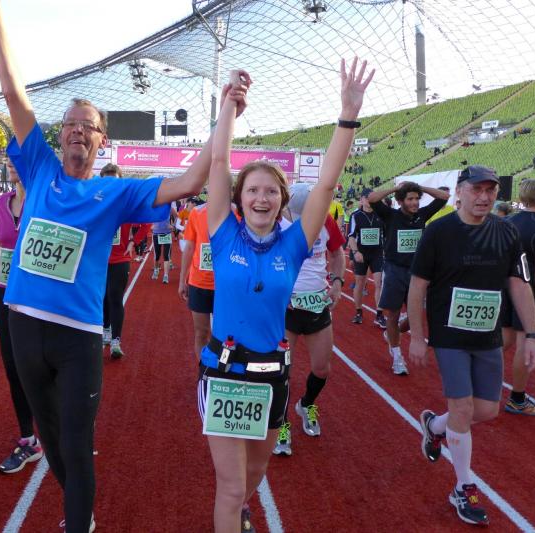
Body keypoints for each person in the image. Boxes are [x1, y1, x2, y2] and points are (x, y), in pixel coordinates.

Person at [0, 2, 230, 529]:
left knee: (76, 442)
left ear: (102, 140)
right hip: (23, 324)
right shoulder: (39, 167)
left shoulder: (115, 192)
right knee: (51, 440)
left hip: (77, 336)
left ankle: (79, 522)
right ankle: (81, 512)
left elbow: (189, 182)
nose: (76, 130)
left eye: (87, 126)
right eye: (69, 123)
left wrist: (227, 112)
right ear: (59, 135)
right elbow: (11, 88)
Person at [199, 59, 372, 532]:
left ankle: (242, 511)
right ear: (238, 199)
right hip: (224, 371)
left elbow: (326, 184)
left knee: (255, 474)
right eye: (252, 190)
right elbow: (219, 163)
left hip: (272, 373)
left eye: (271, 191)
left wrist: (348, 115)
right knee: (230, 487)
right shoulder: (223, 233)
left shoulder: (294, 244)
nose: (261, 198)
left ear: (282, 200)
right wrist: (229, 106)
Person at [409, 165, 535, 526]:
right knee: (463, 408)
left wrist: (532, 335)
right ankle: (463, 487)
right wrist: (418, 336)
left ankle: (435, 426)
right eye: (476, 190)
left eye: (490, 191)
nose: (484, 197)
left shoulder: (507, 231)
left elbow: (519, 284)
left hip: (488, 335)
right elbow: (418, 286)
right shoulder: (438, 232)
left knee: (486, 411)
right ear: (460, 192)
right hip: (449, 334)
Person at [0, 159, 44, 474]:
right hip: (8, 296)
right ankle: (28, 438)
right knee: (13, 367)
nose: (11, 164)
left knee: (41, 365)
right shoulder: (1, 203)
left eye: (18, 158)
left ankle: (57, 422)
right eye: (8, 159)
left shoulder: (46, 200)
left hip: (40, 298)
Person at [273, 183, 345, 456]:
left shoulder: (325, 220)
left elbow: (337, 253)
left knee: (322, 368)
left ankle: (306, 404)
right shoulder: (275, 225)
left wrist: (337, 282)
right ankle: (280, 422)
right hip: (285, 308)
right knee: (281, 370)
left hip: (316, 304)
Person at [367, 181, 449, 375]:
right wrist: (397, 188)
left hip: (417, 273)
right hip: (395, 270)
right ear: (400, 201)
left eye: (416, 199)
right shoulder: (390, 215)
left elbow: (444, 196)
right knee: (393, 314)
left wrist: (420, 187)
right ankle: (397, 356)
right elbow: (372, 198)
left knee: (415, 316)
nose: (414, 203)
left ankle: (392, 331)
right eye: (410, 199)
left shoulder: (422, 214)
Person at [500, 179, 535, 416]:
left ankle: (475, 379)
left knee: (504, 338)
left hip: (504, 285)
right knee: (525, 342)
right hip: (527, 289)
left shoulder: (506, 221)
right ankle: (517, 399)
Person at [100, 163, 149, 358]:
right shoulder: (97, 203)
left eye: (114, 181)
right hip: (99, 259)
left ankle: (116, 341)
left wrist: (133, 241)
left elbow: (146, 223)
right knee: (102, 297)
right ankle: (105, 329)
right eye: (107, 181)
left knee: (115, 296)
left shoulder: (127, 205)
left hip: (120, 258)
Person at [178, 200, 218, 358]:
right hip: (199, 283)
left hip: (226, 285)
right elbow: (189, 247)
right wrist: (182, 280)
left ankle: (221, 371)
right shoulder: (197, 212)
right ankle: (203, 370)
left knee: (225, 335)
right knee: (201, 333)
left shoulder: (238, 212)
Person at [347, 189, 385, 326]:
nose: (369, 200)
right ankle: (358, 312)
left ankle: (379, 315)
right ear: (362, 199)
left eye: (372, 198)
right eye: (367, 198)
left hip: (377, 253)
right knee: (360, 283)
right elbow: (351, 236)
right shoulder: (356, 216)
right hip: (361, 253)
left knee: (379, 283)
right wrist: (355, 252)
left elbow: (386, 234)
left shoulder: (380, 214)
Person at [151, 206, 177, 284]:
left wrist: (173, 225)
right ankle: (156, 270)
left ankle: (166, 275)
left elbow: (177, 216)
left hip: (166, 234)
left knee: (166, 256)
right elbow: (149, 216)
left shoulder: (169, 207)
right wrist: (151, 225)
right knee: (157, 255)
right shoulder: (154, 206)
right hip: (156, 233)